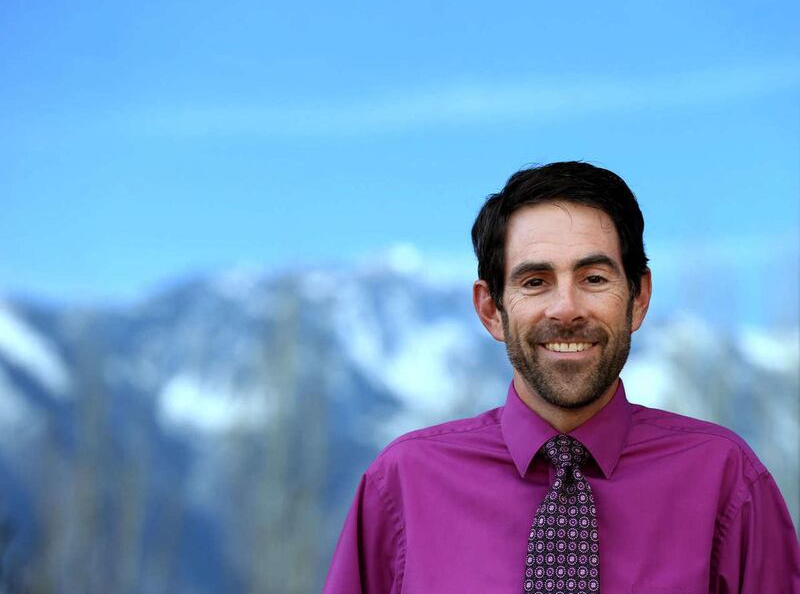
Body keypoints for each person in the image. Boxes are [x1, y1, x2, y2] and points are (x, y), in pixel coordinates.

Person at [322, 161, 800, 593]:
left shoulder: (727, 481)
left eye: (594, 278)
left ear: (638, 298)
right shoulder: (402, 485)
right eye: (535, 282)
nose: (566, 309)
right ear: (491, 310)